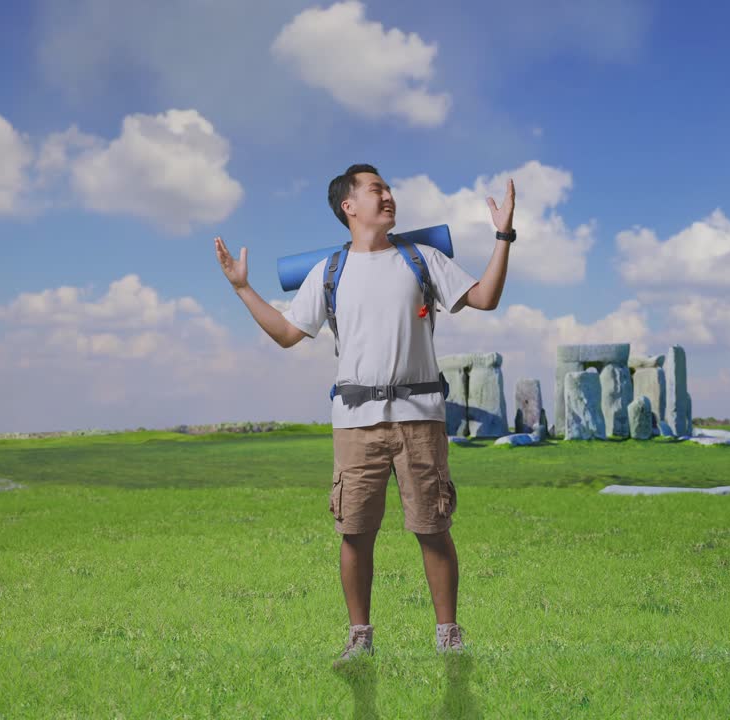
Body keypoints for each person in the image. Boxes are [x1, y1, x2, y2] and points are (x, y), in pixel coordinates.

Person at [213, 163, 515, 668]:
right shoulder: (330, 272)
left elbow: (484, 297)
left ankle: (449, 635)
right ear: (349, 206)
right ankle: (359, 638)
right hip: (354, 422)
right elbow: (288, 334)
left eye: (389, 189)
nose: (389, 196)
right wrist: (243, 289)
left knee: (433, 527)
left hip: (421, 417)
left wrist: (503, 235)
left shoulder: (422, 258)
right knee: (355, 532)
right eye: (377, 189)